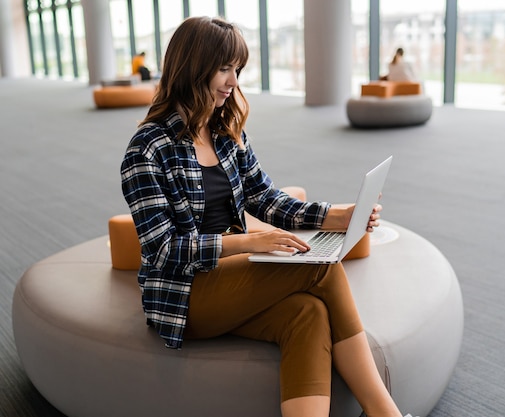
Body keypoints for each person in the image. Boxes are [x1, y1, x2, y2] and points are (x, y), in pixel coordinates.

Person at [120, 16, 413, 417]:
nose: (233, 81)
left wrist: (336, 216)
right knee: (322, 268)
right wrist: (251, 242)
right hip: (185, 294)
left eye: (237, 70)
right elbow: (163, 250)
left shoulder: (225, 133)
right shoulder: (147, 149)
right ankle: (386, 413)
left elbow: (266, 199)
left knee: (308, 314)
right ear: (193, 66)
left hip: (232, 278)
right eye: (224, 68)